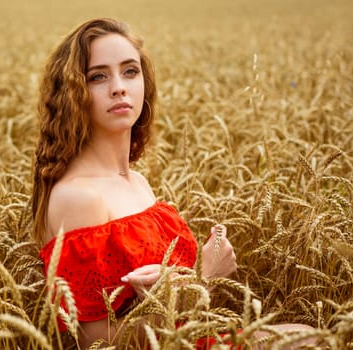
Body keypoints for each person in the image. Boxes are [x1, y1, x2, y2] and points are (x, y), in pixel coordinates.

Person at [32, 18, 315, 349]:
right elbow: (92, 342)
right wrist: (204, 278)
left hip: (188, 340)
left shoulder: (137, 182)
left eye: (130, 71)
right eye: (98, 76)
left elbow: (172, 306)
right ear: (73, 93)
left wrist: (187, 282)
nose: (118, 87)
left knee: (308, 336)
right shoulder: (80, 196)